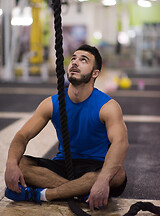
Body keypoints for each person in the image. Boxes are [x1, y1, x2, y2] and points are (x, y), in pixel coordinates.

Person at [5, 44, 129, 211]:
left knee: (117, 174)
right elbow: (22, 136)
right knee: (20, 163)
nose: (75, 63)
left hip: (95, 167)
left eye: (83, 60)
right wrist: (11, 163)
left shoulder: (108, 106)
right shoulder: (52, 103)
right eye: (73, 59)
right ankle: (81, 192)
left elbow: (120, 144)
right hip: (63, 165)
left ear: (95, 73)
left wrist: (102, 180)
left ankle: (44, 195)